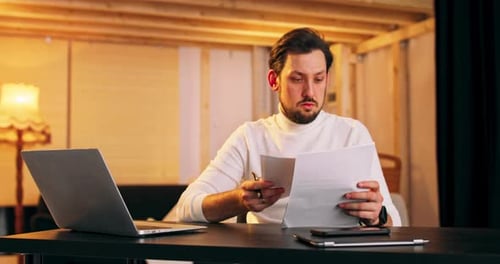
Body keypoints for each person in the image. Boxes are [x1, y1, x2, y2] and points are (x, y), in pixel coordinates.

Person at [176, 27, 401, 227]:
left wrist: (377, 215)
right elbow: (186, 207)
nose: (310, 92)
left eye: (318, 79)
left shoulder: (353, 133)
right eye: (297, 79)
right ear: (274, 80)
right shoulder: (250, 137)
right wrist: (239, 200)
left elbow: (395, 221)